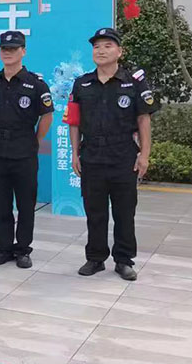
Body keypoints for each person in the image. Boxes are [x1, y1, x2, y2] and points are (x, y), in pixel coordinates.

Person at [65, 26, 157, 281]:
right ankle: (95, 258)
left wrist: (144, 155)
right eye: (97, 47)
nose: (101, 51)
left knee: (124, 212)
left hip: (123, 156)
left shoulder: (133, 82)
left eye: (107, 46)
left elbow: (144, 119)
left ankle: (124, 260)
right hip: (92, 155)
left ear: (119, 51)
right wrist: (75, 153)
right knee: (94, 211)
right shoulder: (82, 83)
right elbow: (74, 122)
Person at [0, 31, 53, 269]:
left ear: (23, 51)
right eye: (4, 49)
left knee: (25, 204)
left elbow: (46, 116)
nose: (8, 53)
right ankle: (4, 248)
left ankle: (23, 249)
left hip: (24, 152)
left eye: (13, 49)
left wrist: (34, 140)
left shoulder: (36, 83)